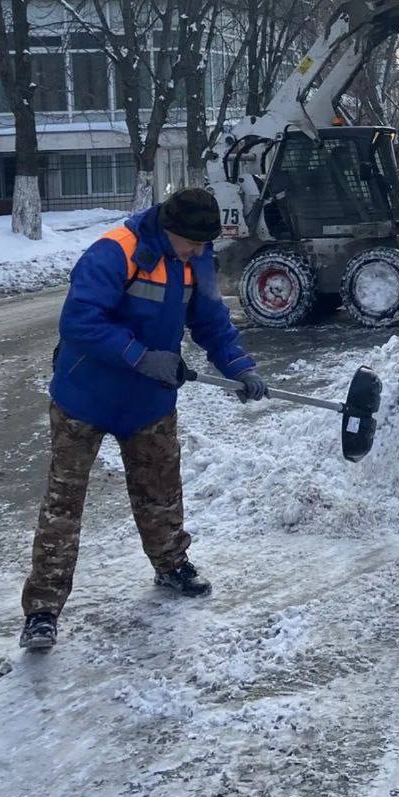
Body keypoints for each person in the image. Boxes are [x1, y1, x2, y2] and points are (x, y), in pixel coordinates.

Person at [19, 187, 268, 652]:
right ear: (168, 229)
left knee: (161, 491)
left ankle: (171, 565)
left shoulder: (198, 258)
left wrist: (239, 368)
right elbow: (79, 321)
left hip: (149, 401)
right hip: (85, 398)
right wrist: (138, 355)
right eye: (190, 243)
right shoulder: (117, 250)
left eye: (203, 244)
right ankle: (42, 611)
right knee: (63, 504)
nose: (197, 252)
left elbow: (211, 320)